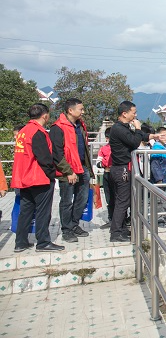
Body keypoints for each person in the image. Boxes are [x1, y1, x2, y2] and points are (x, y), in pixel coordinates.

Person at [12, 103, 64, 252]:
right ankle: (43, 242)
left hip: (24, 177)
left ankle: (20, 242)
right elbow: (44, 158)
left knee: (26, 210)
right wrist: (52, 175)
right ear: (45, 115)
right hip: (38, 178)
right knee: (43, 211)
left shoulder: (23, 131)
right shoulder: (37, 132)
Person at [109, 101, 157, 242]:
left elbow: (137, 137)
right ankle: (116, 232)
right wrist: (137, 128)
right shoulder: (118, 129)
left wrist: (152, 136)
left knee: (125, 199)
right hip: (121, 168)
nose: (135, 115)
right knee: (123, 201)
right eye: (133, 112)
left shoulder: (123, 127)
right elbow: (134, 141)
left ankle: (122, 228)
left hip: (123, 167)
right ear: (124, 113)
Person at [50, 98, 94, 243]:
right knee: (67, 201)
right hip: (67, 171)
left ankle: (74, 224)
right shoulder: (58, 127)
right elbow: (57, 153)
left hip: (82, 167)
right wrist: (68, 171)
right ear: (70, 110)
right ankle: (67, 230)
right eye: (81, 109)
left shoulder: (79, 125)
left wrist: (87, 168)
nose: (83, 111)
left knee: (82, 198)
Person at [150, 127, 166, 227]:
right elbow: (154, 165)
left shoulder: (164, 147)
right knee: (159, 200)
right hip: (160, 179)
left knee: (165, 199)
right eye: (162, 135)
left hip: (165, 178)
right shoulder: (156, 148)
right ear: (157, 136)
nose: (165, 137)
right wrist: (158, 178)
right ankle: (160, 220)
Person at [97, 128, 114, 229]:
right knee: (109, 199)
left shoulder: (120, 148)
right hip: (107, 175)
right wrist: (106, 163)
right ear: (107, 138)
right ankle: (111, 219)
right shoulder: (103, 149)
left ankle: (122, 220)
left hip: (117, 175)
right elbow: (98, 163)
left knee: (119, 199)